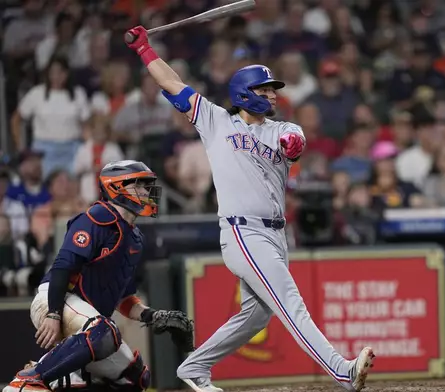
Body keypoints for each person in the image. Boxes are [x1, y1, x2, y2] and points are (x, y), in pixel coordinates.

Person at [124, 25, 375, 392]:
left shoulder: (281, 129)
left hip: (276, 234)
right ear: (244, 93)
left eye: (273, 89)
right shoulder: (215, 121)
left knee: (256, 316)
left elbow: (295, 142)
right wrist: (144, 48)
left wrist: (292, 142)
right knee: (290, 303)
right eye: (265, 89)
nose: (272, 95)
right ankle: (342, 371)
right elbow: (173, 83)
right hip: (243, 232)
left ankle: (193, 368)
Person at [3, 160, 194, 392]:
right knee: (104, 331)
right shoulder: (95, 219)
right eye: (140, 185)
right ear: (117, 187)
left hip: (92, 323)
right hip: (56, 299)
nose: (146, 191)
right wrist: (53, 314)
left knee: (135, 377)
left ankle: (63, 379)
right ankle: (29, 380)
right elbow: (63, 267)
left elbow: (124, 299)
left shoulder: (135, 237)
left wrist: (154, 316)